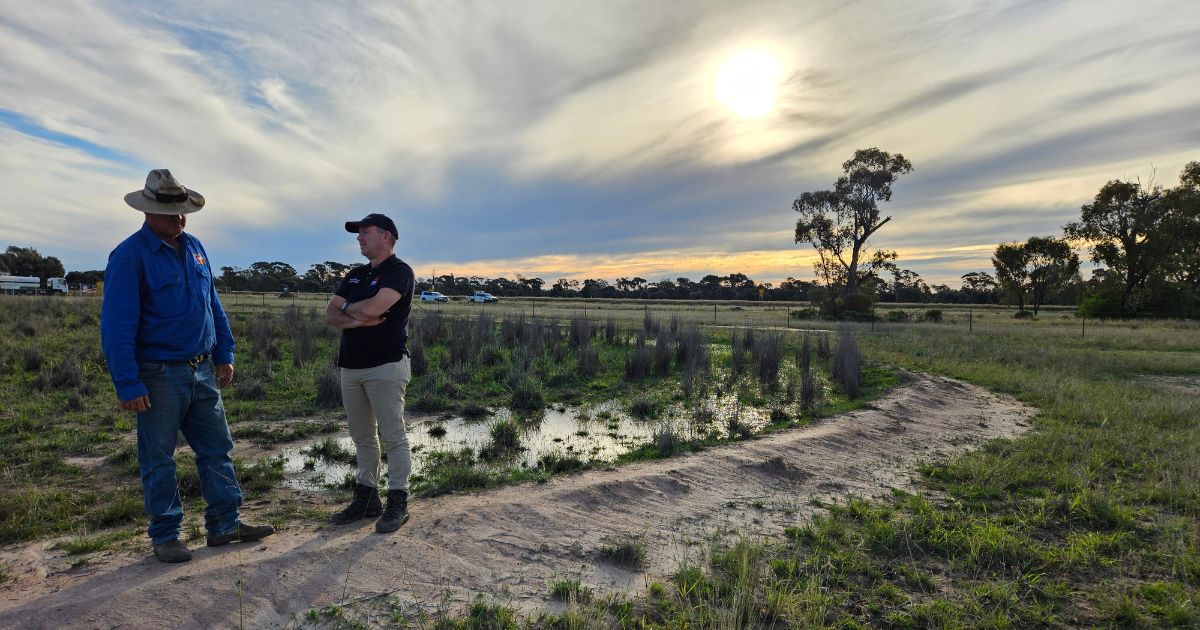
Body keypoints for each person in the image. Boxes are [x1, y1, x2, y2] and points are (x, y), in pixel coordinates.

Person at [100, 169, 274, 563]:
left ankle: (225, 524)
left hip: (201, 370)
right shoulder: (129, 256)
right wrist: (128, 382)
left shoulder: (194, 247)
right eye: (171, 213)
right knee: (159, 457)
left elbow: (212, 305)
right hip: (157, 375)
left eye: (183, 212)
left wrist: (223, 353)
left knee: (217, 449)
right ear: (147, 211)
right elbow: (116, 325)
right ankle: (166, 535)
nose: (180, 219)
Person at [324, 213, 415, 533]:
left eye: (366, 232)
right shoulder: (356, 275)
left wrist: (352, 309)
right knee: (362, 435)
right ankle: (366, 498)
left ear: (387, 236)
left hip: (386, 366)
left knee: (393, 435)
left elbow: (376, 308)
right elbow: (330, 314)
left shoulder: (399, 272)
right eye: (357, 233)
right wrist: (355, 316)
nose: (359, 237)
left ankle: (398, 500)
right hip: (351, 366)